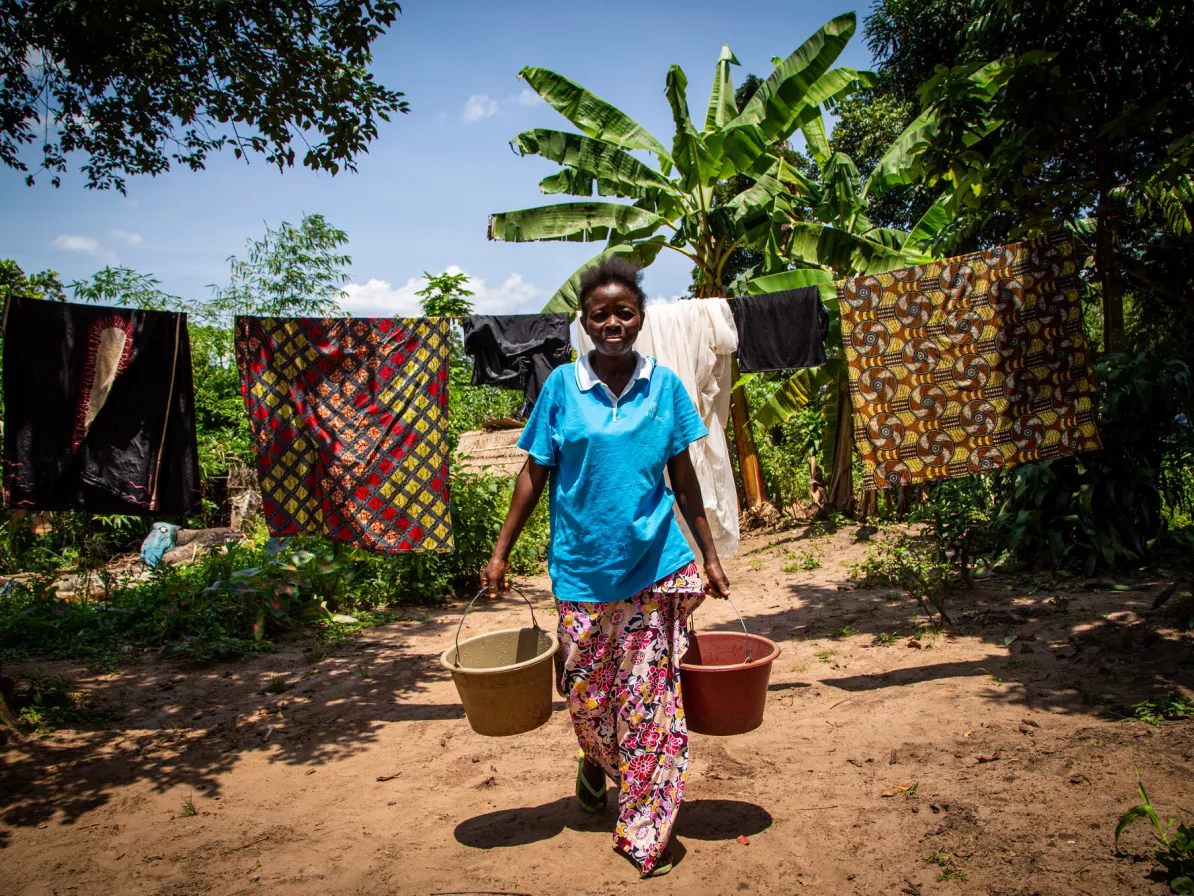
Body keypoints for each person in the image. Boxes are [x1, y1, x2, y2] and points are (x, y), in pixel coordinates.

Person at [481, 258, 732, 877]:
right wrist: (500, 550)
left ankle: (647, 829)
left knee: (651, 704)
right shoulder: (562, 390)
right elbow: (533, 474)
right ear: (585, 323)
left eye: (625, 312)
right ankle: (597, 762)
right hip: (581, 572)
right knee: (589, 700)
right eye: (601, 314)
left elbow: (684, 478)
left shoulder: (667, 387)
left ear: (640, 317)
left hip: (655, 567)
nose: (613, 323)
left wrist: (710, 553)